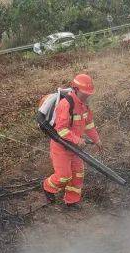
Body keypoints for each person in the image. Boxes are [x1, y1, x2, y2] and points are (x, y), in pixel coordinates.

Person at [42, 74, 101, 209]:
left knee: (78, 175)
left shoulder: (84, 105)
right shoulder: (66, 104)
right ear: (76, 89)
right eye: (85, 93)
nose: (87, 96)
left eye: (89, 93)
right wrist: (77, 140)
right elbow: (61, 130)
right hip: (61, 148)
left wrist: (97, 140)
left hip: (75, 149)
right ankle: (47, 187)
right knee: (64, 176)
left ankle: (72, 201)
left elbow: (89, 125)